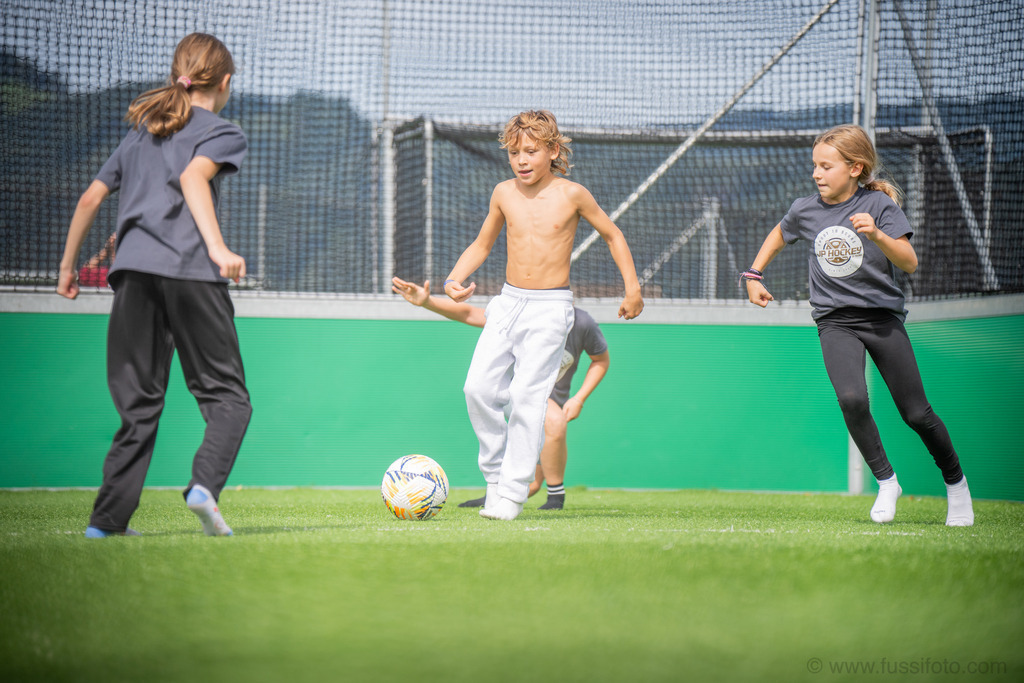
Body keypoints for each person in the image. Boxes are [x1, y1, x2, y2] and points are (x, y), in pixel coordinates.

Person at [57, 33, 252, 537]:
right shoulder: (223, 131)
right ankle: (204, 487)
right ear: (225, 81)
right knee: (228, 400)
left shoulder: (142, 134)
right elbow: (192, 179)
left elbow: (89, 199)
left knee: (138, 406)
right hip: (192, 273)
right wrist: (217, 248)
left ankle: (107, 522)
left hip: (133, 275)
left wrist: (67, 267)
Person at [743, 123, 973, 527]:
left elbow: (909, 262)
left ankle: (956, 484)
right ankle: (887, 482)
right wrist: (754, 274)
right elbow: (779, 233)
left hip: (881, 319)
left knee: (916, 414)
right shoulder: (804, 209)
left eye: (826, 166)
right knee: (851, 399)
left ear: (855, 168)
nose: (816, 173)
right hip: (835, 321)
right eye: (815, 165)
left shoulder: (879, 206)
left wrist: (878, 235)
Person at [443, 110, 643, 521]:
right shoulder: (503, 193)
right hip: (507, 303)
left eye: (531, 151)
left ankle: (512, 494)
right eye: (514, 152)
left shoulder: (573, 194)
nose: (521, 160)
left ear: (552, 151)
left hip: (551, 308)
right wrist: (454, 278)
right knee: (476, 388)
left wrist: (633, 288)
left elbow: (612, 234)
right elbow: (482, 244)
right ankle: (494, 480)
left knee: (526, 398)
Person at [392, 277, 610, 510]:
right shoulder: (519, 315)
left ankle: (514, 493)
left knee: (531, 485)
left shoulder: (582, 323)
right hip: (514, 394)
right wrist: (428, 302)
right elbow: (469, 313)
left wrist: (579, 398)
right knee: (554, 421)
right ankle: (553, 496)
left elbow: (601, 360)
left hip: (544, 402)